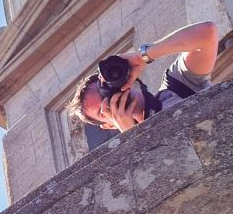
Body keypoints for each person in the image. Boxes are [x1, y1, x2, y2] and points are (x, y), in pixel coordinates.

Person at [70, 21, 220, 134]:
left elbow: (207, 33)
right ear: (109, 125)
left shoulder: (177, 85)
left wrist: (141, 57)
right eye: (103, 110)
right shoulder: (134, 157)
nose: (111, 100)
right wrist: (131, 135)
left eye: (104, 91)